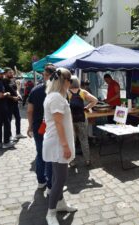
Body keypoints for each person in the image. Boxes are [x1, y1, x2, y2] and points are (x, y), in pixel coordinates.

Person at [43, 67, 77, 225]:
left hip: (56, 141)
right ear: (64, 81)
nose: (71, 83)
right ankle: (50, 213)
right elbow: (57, 123)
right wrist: (65, 145)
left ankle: (61, 203)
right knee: (60, 178)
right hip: (57, 143)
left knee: (58, 177)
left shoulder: (56, 96)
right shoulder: (56, 97)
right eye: (70, 80)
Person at [27, 64, 53, 194]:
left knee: (41, 154)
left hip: (39, 127)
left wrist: (30, 126)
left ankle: (41, 181)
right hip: (51, 128)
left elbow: (30, 111)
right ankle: (49, 183)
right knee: (50, 155)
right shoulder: (57, 92)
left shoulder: (35, 90)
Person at [68, 76, 98, 167]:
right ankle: (87, 160)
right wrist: (87, 108)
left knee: (72, 141)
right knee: (84, 140)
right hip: (82, 119)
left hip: (70, 120)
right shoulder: (82, 92)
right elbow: (95, 100)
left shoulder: (66, 92)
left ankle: (72, 161)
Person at [0, 68, 14, 149]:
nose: (3, 75)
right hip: (1, 107)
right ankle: (6, 142)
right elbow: (0, 95)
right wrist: (7, 93)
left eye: (3, 73)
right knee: (6, 123)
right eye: (1, 74)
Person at [3, 68, 25, 140]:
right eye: (10, 73)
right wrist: (12, 97)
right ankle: (9, 136)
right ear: (5, 73)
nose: (12, 74)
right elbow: (4, 94)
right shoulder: (3, 82)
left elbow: (16, 90)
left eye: (12, 73)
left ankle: (18, 133)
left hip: (15, 103)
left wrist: (18, 94)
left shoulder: (12, 80)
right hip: (8, 103)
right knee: (9, 119)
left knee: (18, 118)